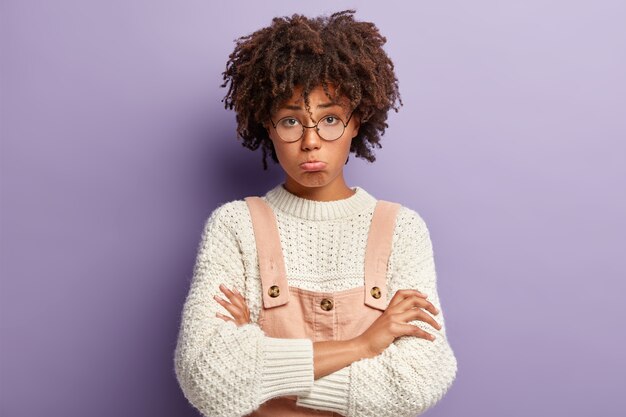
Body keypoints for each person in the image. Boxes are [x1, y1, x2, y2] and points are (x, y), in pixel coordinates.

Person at [174, 9, 458, 417]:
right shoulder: (236, 226)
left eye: (329, 119)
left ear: (356, 122)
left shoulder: (401, 229)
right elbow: (205, 375)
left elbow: (419, 378)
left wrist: (266, 384)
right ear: (268, 126)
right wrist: (363, 346)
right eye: (290, 120)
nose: (310, 141)